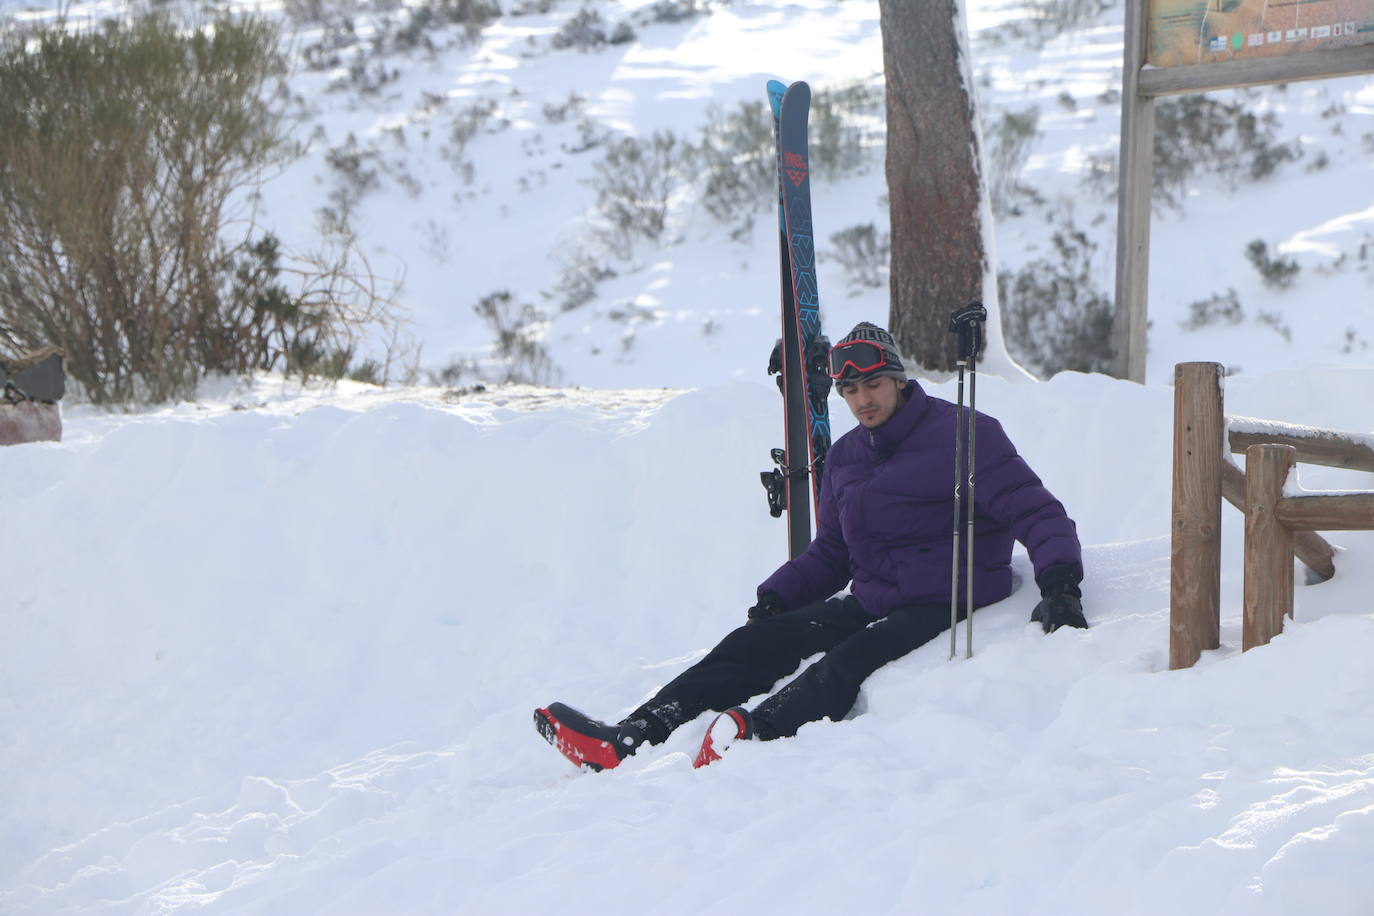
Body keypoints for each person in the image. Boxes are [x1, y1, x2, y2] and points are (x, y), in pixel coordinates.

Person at [535, 321, 1087, 771]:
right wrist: (778, 598)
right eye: (849, 390)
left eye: (872, 385)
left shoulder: (967, 434)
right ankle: (632, 737)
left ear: (897, 380)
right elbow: (832, 553)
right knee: (754, 642)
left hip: (949, 595)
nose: (861, 400)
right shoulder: (846, 457)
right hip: (874, 597)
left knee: (854, 658)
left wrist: (1060, 584)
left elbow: (1035, 511)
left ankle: (757, 731)